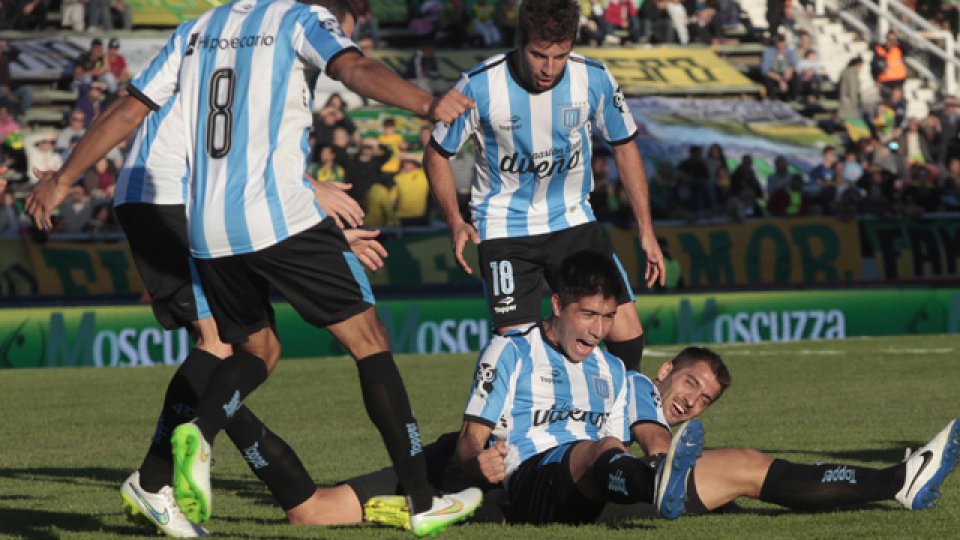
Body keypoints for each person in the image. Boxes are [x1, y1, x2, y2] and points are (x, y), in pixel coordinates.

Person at [24, 0, 480, 537]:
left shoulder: (198, 28)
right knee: (364, 341)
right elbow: (352, 69)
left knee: (252, 348)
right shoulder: (301, 19)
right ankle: (421, 500)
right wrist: (427, 103)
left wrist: (64, 179)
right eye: (348, 30)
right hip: (204, 203)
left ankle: (179, 457)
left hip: (205, 219)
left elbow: (131, 110)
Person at [285, 340, 959, 528]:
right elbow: (650, 435)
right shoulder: (635, 386)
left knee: (752, 466)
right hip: (577, 478)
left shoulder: (633, 395)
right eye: (689, 384)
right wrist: (665, 455)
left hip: (609, 484)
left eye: (704, 399)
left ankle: (898, 481)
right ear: (666, 372)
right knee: (616, 453)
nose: (691, 400)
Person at [367, 250, 704, 527]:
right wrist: (477, 462)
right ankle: (655, 482)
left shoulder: (612, 368)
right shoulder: (511, 350)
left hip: (594, 484)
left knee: (727, 467)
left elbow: (617, 451)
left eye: (608, 317)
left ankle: (661, 482)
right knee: (601, 449)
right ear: (557, 305)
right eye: (588, 314)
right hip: (533, 478)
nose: (598, 330)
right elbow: (470, 438)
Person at [425, 0, 664, 376]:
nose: (549, 69)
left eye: (560, 56)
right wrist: (456, 221)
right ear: (520, 41)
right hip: (504, 231)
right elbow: (436, 153)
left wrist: (646, 229)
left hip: (572, 221)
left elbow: (625, 146)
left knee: (626, 334)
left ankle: (616, 411)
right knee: (521, 354)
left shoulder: (594, 78)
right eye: (539, 55)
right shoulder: (479, 85)